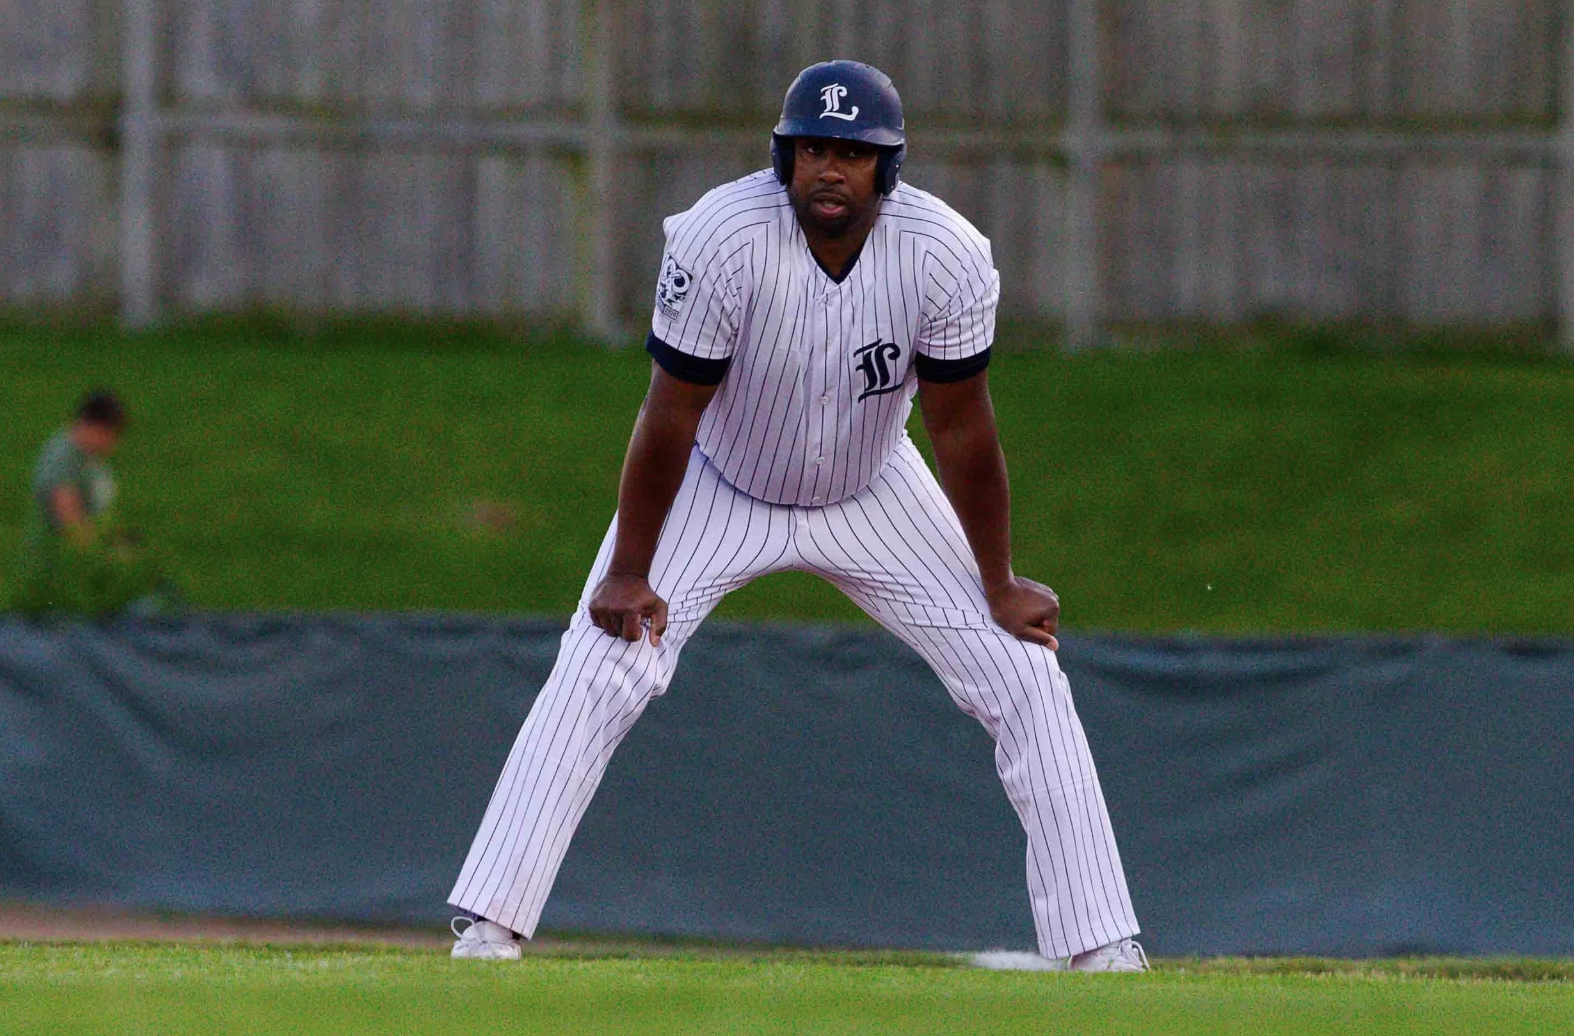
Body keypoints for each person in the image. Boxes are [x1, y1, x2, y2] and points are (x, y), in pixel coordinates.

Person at [448, 60, 1146, 972]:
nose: (829, 170)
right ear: (785, 156)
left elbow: (962, 432)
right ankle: (490, 927)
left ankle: (1100, 947)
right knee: (601, 661)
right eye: (812, 148)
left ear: (886, 169)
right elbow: (670, 415)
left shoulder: (946, 253)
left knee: (1025, 672)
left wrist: (999, 581)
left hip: (870, 486)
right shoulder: (720, 236)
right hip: (721, 479)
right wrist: (628, 568)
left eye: (853, 154)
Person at [9, 390, 171, 618]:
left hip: (81, 578)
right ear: (92, 426)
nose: (113, 444)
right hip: (59, 581)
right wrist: (111, 559)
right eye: (110, 434)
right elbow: (71, 523)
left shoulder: (86, 458)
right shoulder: (62, 461)